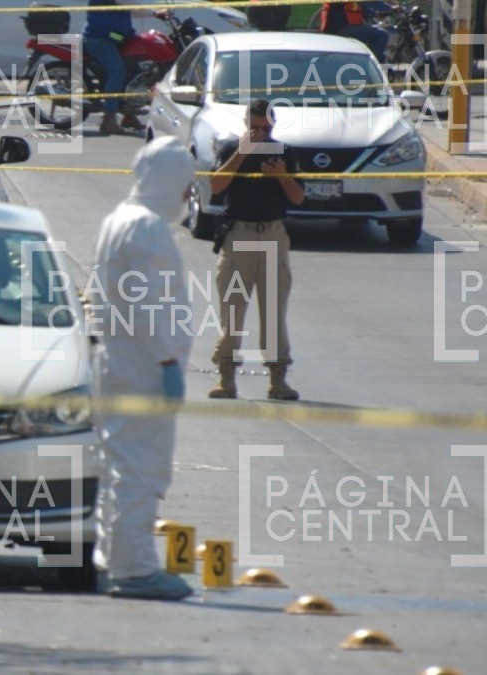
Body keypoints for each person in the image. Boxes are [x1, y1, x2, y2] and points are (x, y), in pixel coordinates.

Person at [87, 136, 195, 600]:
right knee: (142, 470)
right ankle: (135, 570)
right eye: (185, 184)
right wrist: (167, 360)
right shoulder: (146, 228)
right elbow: (148, 306)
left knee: (118, 466)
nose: (187, 195)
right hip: (143, 367)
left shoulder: (118, 219)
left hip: (118, 360)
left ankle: (112, 559)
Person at [208, 99, 304, 401]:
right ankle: (226, 377)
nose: (259, 133)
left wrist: (282, 175)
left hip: (273, 233)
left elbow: (298, 197)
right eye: (254, 127)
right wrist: (242, 153)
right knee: (232, 309)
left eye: (264, 128)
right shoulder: (230, 149)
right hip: (240, 234)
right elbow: (216, 186)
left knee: (274, 310)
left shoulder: (284, 152)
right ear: (245, 122)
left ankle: (278, 379)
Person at [83, 0, 140, 134]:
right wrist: (155, 12)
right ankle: (108, 119)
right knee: (117, 72)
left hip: (115, 38)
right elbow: (132, 7)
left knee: (134, 70)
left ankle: (129, 115)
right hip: (99, 39)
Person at [321, 1, 392, 63]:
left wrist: (377, 13)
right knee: (382, 35)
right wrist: (390, 8)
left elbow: (364, 11)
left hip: (344, 27)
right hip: (340, 27)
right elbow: (368, 2)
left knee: (379, 32)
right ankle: (367, 66)